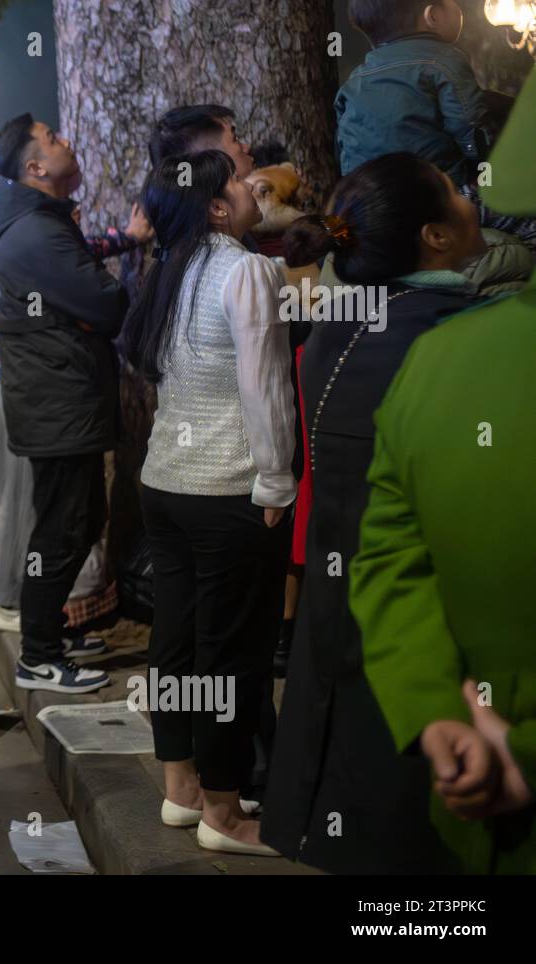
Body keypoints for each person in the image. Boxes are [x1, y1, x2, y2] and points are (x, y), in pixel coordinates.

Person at [259, 152, 487, 874]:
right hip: (421, 623)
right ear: (436, 237)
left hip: (340, 609)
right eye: (456, 194)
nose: (471, 201)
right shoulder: (456, 340)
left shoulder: (337, 329)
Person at [348, 67, 536, 876]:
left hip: (466, 804)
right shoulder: (437, 334)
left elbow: (388, 552)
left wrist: (438, 710)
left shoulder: (434, 357)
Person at [119, 150, 295, 857]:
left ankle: (181, 788)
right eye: (239, 183)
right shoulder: (245, 270)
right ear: (217, 207)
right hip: (229, 491)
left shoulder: (171, 269)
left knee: (177, 640)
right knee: (232, 656)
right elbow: (267, 390)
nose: (255, 187)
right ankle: (226, 812)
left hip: (165, 484)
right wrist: (278, 482)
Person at [0, 111, 127, 693]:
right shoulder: (37, 235)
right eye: (52, 138)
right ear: (35, 167)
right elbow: (108, 304)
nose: (66, 140)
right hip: (57, 405)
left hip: (62, 402)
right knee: (62, 530)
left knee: (81, 519)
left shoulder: (39, 223)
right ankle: (38, 654)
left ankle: (51, 635)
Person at [337, 0, 490, 187]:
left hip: (371, 201)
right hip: (437, 196)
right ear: (431, 16)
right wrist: (484, 175)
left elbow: (346, 148)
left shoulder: (354, 80)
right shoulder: (444, 60)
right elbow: (472, 127)